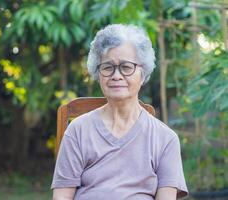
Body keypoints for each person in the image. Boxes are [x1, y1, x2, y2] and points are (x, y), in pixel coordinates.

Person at [51, 24, 188, 200]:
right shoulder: (78, 131)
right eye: (108, 67)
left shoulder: (165, 139)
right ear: (98, 73)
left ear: (143, 73)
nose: (116, 75)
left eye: (126, 66)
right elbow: (61, 197)